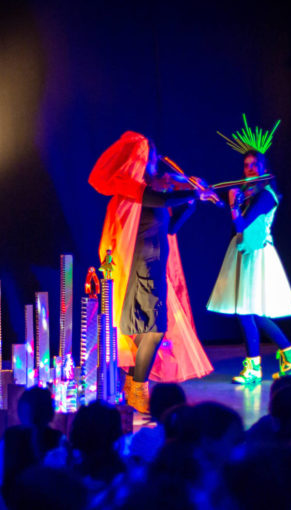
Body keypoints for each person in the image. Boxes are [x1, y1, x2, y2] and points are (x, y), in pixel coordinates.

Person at [89, 131, 216, 413]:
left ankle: (134, 384)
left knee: (147, 330)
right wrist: (192, 192)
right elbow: (160, 201)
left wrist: (191, 202)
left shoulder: (150, 190)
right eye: (152, 154)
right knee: (154, 330)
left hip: (154, 266)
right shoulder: (133, 188)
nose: (157, 160)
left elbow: (169, 228)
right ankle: (137, 386)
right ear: (140, 157)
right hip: (143, 267)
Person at [208, 117, 291, 383]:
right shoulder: (249, 192)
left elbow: (241, 224)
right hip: (245, 253)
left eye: (254, 165)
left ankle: (255, 368)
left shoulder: (266, 194)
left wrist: (232, 205)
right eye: (246, 165)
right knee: (252, 313)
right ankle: (290, 358)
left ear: (264, 167)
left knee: (248, 312)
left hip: (257, 255)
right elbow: (238, 218)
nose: (249, 169)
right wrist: (219, 199)